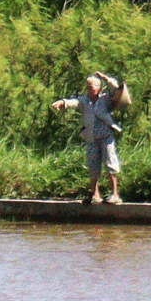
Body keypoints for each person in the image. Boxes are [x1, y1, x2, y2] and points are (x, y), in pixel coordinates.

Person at [50, 72, 130, 204]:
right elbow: (73, 102)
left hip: (106, 136)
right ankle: (95, 195)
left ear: (98, 87)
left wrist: (105, 78)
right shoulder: (84, 100)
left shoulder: (105, 98)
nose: (89, 89)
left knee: (111, 164)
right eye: (88, 87)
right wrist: (62, 102)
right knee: (93, 166)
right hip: (91, 138)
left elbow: (116, 88)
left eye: (91, 86)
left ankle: (115, 194)